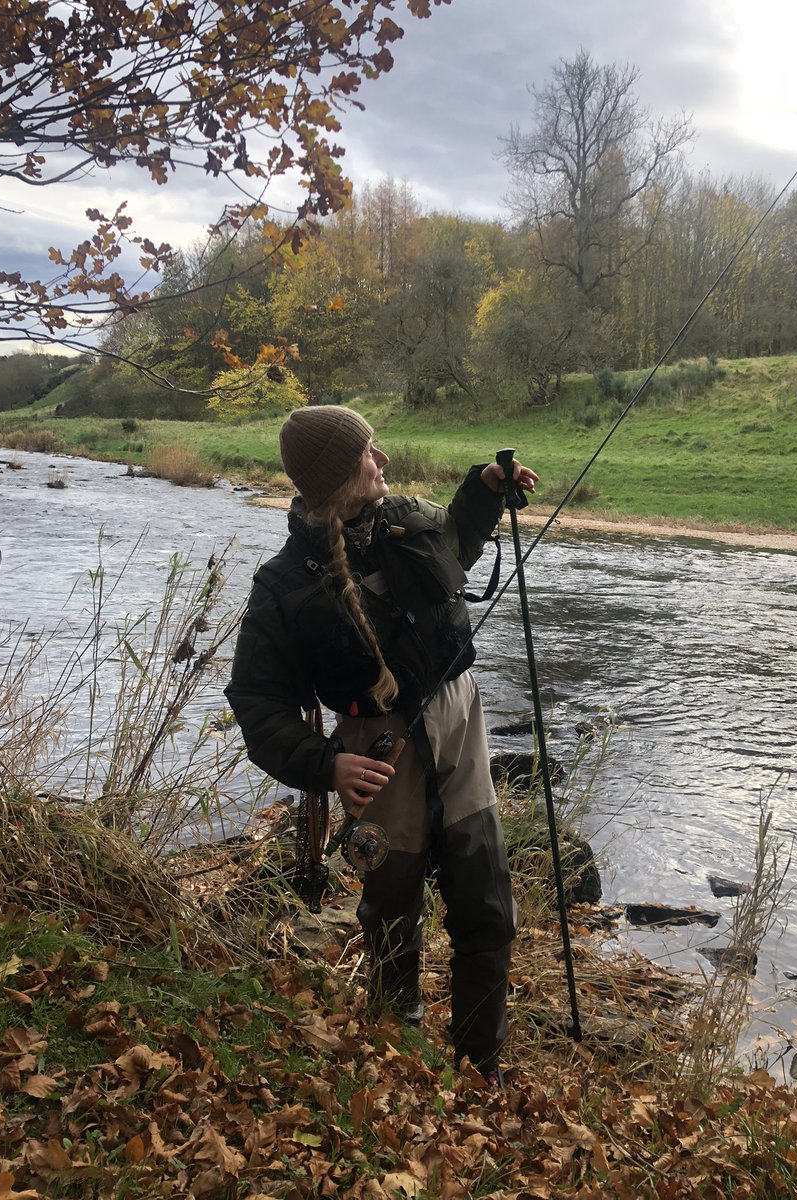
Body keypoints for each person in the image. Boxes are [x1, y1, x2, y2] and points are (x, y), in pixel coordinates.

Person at [226, 404, 537, 1079]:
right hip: (373, 756)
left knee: (487, 906)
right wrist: (327, 765)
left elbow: (455, 546)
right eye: (370, 452)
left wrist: (485, 490)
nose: (383, 461)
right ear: (340, 474)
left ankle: (481, 1064)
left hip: (460, 721)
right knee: (391, 921)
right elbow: (256, 702)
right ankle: (401, 1059)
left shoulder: (409, 519)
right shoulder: (282, 586)